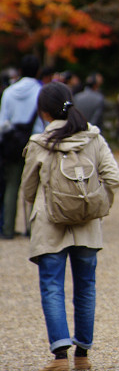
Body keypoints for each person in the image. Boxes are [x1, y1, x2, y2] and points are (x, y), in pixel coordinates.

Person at [21, 81, 119, 371]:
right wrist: (96, 206)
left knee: (52, 286)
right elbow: (113, 178)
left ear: (43, 111)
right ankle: (83, 355)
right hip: (88, 225)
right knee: (86, 287)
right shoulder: (93, 138)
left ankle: (60, 357)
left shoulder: (39, 143)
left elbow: (28, 190)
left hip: (49, 225)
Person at [0, 54, 44, 239]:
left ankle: (8, 228)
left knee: (11, 186)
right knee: (36, 185)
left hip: (11, 145)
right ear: (38, 70)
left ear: (20, 71)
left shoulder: (9, 92)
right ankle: (33, 229)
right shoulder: (42, 91)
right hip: (36, 142)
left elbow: (2, 123)